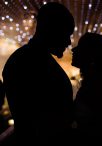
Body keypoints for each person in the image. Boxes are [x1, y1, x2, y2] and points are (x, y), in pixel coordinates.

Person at [2, 2, 75, 146]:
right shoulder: (31, 62)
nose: (68, 42)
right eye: (66, 34)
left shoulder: (24, 59)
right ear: (51, 29)